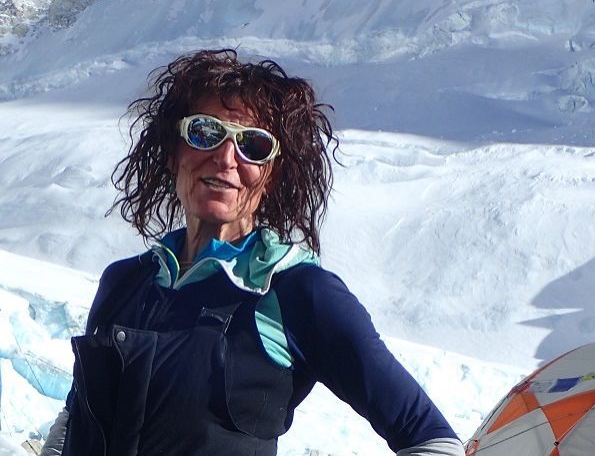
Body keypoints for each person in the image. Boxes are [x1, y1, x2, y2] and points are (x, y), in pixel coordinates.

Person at [40, 49, 463, 456]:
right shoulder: (124, 283)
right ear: (174, 152)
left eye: (253, 146)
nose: (226, 159)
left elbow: (432, 440)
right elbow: (75, 418)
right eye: (205, 132)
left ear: (271, 175)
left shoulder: (298, 293)